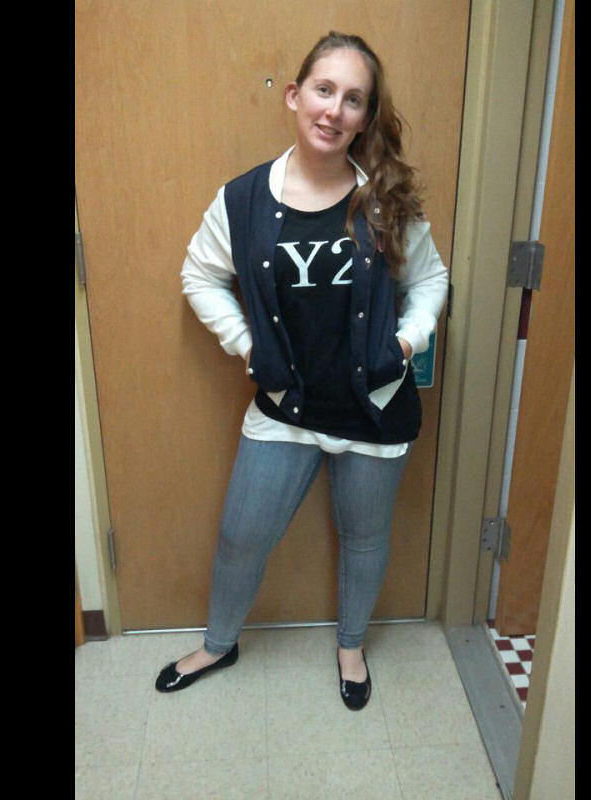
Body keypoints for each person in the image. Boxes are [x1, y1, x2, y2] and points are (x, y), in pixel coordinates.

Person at [156, 31, 448, 711]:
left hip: (373, 406)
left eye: (354, 99)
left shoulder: (385, 199)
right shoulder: (242, 201)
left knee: (365, 540)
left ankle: (351, 647)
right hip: (285, 406)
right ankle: (219, 643)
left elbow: (432, 279)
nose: (334, 110)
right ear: (294, 96)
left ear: (365, 117)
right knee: (241, 536)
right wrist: (248, 347)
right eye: (323, 90)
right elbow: (198, 275)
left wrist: (405, 344)